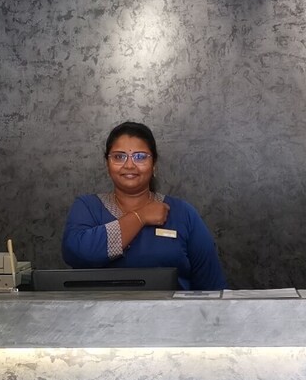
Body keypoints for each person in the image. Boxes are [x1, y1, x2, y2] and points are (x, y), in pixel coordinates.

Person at [61, 120, 227, 290]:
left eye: (140, 156)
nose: (129, 165)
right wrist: (140, 217)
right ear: (107, 165)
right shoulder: (88, 207)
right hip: (100, 308)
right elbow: (77, 253)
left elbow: (212, 286)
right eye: (119, 157)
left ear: (154, 165)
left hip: (170, 308)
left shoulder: (183, 213)